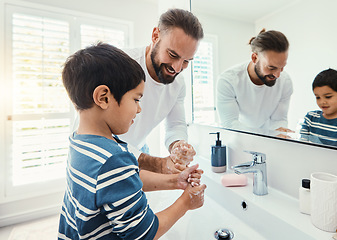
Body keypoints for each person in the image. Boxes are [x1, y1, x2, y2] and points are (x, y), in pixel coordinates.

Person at [58, 43, 206, 240]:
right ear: (103, 97)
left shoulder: (80, 142)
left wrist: (174, 181)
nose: (139, 109)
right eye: (136, 100)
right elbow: (144, 234)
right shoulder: (114, 159)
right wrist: (186, 203)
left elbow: (120, 183)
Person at [119, 8, 204, 172]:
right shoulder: (120, 64)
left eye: (186, 61)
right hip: (101, 153)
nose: (177, 68)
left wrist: (178, 146)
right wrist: (160, 165)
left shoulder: (178, 84)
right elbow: (97, 132)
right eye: (173, 54)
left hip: (139, 150)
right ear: (155, 36)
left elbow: (176, 125)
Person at [216, 29, 294, 137]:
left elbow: (279, 120)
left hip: (269, 140)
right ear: (254, 58)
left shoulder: (285, 82)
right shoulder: (228, 81)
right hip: (239, 139)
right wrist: (266, 136)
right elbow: (229, 124)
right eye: (271, 68)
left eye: (282, 67)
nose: (277, 75)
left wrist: (278, 136)